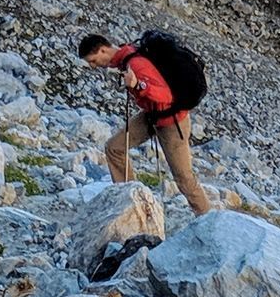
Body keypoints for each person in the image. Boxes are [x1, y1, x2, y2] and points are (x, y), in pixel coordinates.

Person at [78, 32, 211, 214]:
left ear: (102, 50)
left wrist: (138, 85)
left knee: (184, 179)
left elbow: (165, 96)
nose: (93, 66)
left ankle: (207, 218)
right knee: (114, 148)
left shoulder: (136, 64)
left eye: (93, 61)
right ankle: (129, 200)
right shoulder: (127, 55)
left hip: (172, 122)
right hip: (152, 115)